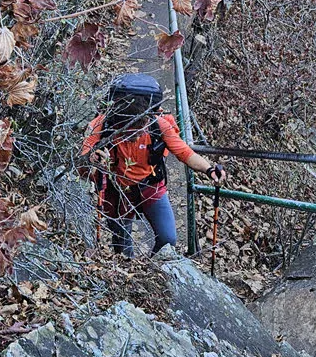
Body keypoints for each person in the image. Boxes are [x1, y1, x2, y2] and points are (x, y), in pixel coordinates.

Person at [80, 74, 224, 259]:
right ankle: (129, 273)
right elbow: (82, 165)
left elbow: (185, 153)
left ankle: (149, 268)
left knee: (167, 238)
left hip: (150, 186)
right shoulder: (101, 125)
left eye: (140, 127)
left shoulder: (159, 124)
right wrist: (95, 161)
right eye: (128, 127)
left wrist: (209, 169)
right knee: (122, 247)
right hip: (116, 192)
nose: (134, 133)